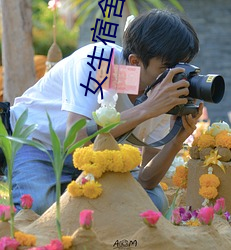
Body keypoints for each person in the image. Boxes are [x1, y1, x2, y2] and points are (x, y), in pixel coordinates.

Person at [6, 9, 202, 215]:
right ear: (135, 62)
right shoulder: (98, 61)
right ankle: (65, 197)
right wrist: (147, 108)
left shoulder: (165, 89)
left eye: (182, 66)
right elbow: (76, 140)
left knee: (152, 202)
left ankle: (71, 199)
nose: (175, 76)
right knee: (39, 208)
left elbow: (146, 180)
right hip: (37, 144)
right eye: (167, 68)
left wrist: (176, 140)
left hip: (96, 157)